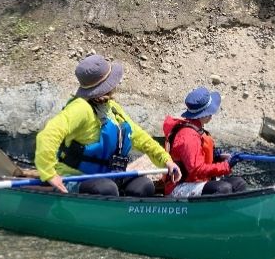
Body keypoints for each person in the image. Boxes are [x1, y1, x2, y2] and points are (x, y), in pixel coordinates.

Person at [34, 54, 181, 196]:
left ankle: (126, 214)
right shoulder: (80, 108)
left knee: (144, 187)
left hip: (109, 175)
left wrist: (166, 160)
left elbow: (140, 137)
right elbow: (47, 135)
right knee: (106, 189)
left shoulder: (112, 107)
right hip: (76, 177)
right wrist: (49, 173)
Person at [162, 86, 247, 198]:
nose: (212, 114)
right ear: (204, 114)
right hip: (179, 186)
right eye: (210, 112)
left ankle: (229, 212)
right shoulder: (188, 136)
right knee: (223, 188)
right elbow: (196, 170)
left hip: (196, 182)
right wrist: (225, 166)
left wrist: (216, 157)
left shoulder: (197, 130)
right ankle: (210, 214)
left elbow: (200, 159)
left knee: (239, 184)